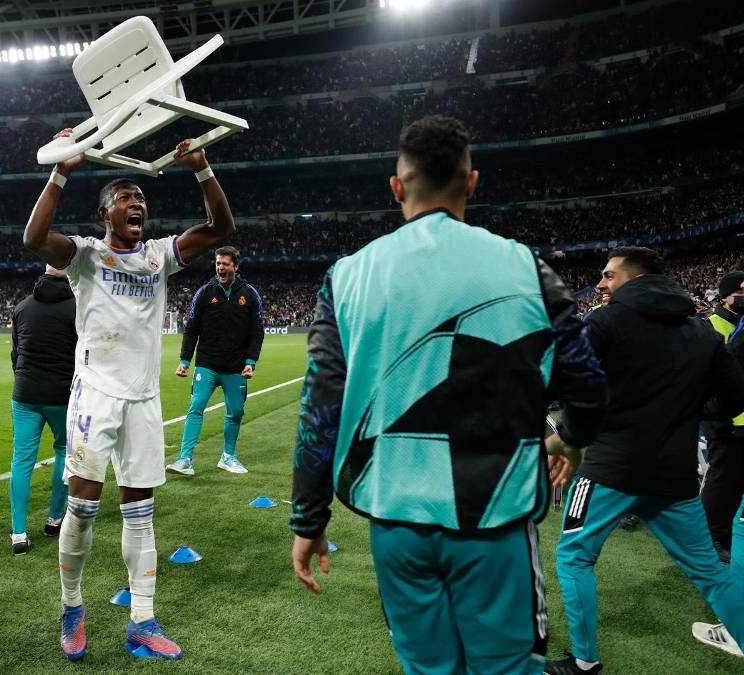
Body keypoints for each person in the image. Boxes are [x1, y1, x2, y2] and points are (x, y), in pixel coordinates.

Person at [288, 116, 607, 675]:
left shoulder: (347, 275)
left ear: (396, 187)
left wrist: (308, 521)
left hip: (395, 519)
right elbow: (587, 384)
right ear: (472, 182)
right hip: (495, 516)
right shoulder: (525, 266)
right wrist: (571, 440)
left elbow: (321, 409)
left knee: (427, 669)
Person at [24, 131, 234, 661]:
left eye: (140, 199)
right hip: (95, 396)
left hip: (143, 400)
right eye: (124, 198)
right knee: (84, 507)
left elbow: (222, 229)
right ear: (104, 214)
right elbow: (34, 238)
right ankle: (72, 607)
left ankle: (142, 619)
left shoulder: (160, 256)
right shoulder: (85, 257)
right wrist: (61, 170)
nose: (136, 203)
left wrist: (201, 167)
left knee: (141, 512)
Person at [548, 247, 744, 674]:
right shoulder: (702, 333)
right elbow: (734, 399)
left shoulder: (604, 321)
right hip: (673, 477)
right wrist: (685, 409)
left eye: (608, 275)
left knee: (575, 557)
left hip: (610, 470)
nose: (600, 283)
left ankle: (584, 662)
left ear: (632, 278)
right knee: (710, 573)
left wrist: (567, 437)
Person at [167, 245, 263, 475]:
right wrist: (185, 360)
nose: (220, 267)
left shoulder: (249, 294)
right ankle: (184, 459)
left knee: (236, 412)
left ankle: (228, 456)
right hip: (207, 364)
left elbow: (257, 331)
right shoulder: (204, 292)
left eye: (225, 263)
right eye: (218, 263)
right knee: (196, 407)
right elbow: (191, 329)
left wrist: (251, 361)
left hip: (236, 367)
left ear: (235, 267)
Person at [8, 266, 78, 555]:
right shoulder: (78, 307)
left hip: (25, 393)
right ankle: (54, 520)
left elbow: (15, 355)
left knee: (22, 460)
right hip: (62, 395)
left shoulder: (22, 307)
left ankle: (18, 534)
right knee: (64, 451)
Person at [702, 270, 744, 562]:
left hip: (738, 418)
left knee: (733, 484)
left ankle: (723, 536)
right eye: (740, 290)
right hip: (725, 420)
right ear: (726, 295)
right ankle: (710, 539)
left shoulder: (738, 324)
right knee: (722, 482)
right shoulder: (711, 326)